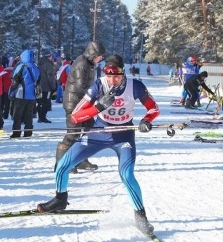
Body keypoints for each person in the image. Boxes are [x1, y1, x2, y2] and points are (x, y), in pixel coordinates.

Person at [37, 54, 160, 236]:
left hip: (123, 135)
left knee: (126, 175)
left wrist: (146, 120)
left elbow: (154, 108)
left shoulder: (135, 86)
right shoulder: (99, 86)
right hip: (99, 133)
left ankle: (140, 218)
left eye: (116, 76)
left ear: (123, 73)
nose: (112, 80)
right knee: (62, 166)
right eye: (109, 76)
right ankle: (60, 199)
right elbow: (76, 115)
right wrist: (98, 107)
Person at [55, 41, 105, 173]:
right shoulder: (82, 64)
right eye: (100, 56)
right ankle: (62, 162)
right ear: (93, 54)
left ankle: (81, 159)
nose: (101, 59)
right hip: (74, 103)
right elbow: (80, 86)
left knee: (90, 130)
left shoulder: (90, 63)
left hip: (83, 103)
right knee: (73, 133)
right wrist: (96, 95)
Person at [8, 49, 40, 138]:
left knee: (17, 114)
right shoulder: (36, 67)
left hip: (20, 94)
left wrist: (11, 93)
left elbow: (15, 81)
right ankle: (28, 132)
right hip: (32, 95)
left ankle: (16, 132)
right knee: (29, 115)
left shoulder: (21, 66)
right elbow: (38, 81)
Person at [37, 50, 56, 123]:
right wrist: (53, 87)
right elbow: (50, 77)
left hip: (39, 86)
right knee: (46, 102)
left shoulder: (39, 63)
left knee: (40, 102)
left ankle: (40, 117)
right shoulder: (48, 64)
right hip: (47, 86)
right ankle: (43, 117)